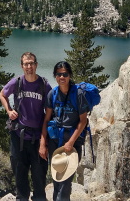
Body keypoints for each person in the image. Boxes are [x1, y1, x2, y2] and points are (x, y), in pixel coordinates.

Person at [0, 52, 52, 201]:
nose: (29, 66)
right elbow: (2, 94)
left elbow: (49, 113)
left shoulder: (44, 85)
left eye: (31, 63)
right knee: (20, 174)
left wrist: (44, 141)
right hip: (19, 136)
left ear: (36, 65)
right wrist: (9, 110)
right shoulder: (17, 82)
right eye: (26, 64)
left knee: (39, 174)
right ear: (22, 66)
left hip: (37, 138)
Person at [39, 61, 89, 201]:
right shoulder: (52, 94)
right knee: (57, 179)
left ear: (70, 75)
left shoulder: (78, 94)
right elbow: (46, 119)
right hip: (55, 142)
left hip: (72, 144)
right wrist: (43, 143)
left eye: (65, 74)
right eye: (59, 74)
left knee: (65, 182)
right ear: (55, 76)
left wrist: (71, 142)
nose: (62, 77)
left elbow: (83, 121)